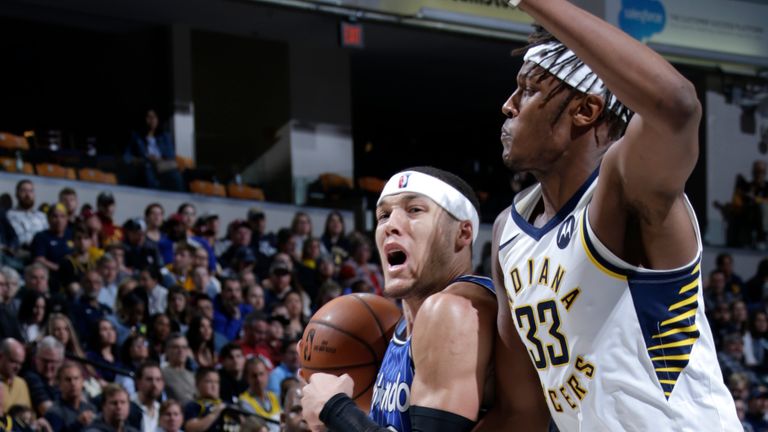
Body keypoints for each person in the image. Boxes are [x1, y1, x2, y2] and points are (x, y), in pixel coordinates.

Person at [486, 2, 740, 430]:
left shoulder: (625, 188)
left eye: (528, 90)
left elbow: (677, 105)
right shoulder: (508, 232)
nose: (508, 106)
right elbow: (522, 412)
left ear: (585, 111)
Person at [301, 166, 496, 431]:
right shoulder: (399, 327)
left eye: (414, 210)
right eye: (383, 215)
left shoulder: (455, 310)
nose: (391, 225)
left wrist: (334, 408)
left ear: (463, 233)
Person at [125, 109, 184, 192]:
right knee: (148, 167)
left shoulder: (164, 136)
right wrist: (137, 160)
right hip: (146, 162)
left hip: (162, 163)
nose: (152, 120)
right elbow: (127, 156)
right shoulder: (137, 137)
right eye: (149, 117)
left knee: (175, 174)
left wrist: (158, 158)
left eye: (154, 117)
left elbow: (171, 155)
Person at [44, 362, 97, 432]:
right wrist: (77, 424)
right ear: (59, 383)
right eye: (68, 379)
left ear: (82, 381)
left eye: (76, 378)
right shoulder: (54, 413)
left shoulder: (91, 408)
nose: (73, 383)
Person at [0, 339, 31, 412]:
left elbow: (30, 415)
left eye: (20, 363)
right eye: (13, 361)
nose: (17, 368)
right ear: (1, 357)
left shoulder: (22, 383)